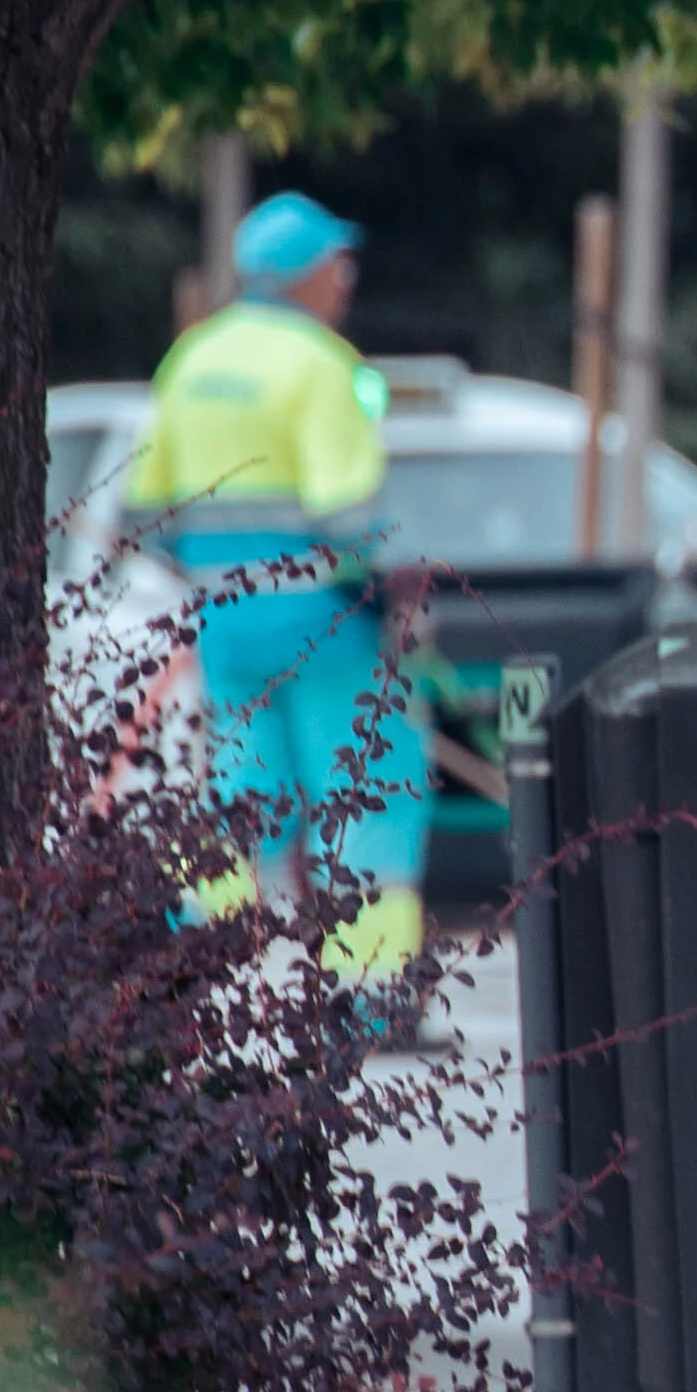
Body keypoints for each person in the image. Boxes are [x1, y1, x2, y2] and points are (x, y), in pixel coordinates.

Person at [135, 191, 427, 1011]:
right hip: (322, 621)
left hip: (226, 624)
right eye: (338, 262)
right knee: (364, 788)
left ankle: (186, 975)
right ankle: (370, 993)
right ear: (305, 275)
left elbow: (144, 514)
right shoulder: (323, 366)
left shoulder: (191, 360)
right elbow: (349, 521)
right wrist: (389, 584)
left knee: (240, 796)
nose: (347, 278)